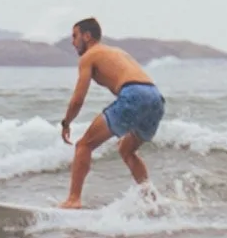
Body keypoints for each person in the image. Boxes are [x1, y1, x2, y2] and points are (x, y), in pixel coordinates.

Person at [58, 17, 165, 208]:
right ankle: (151, 199)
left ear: (87, 36)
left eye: (75, 36)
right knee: (127, 150)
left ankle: (73, 200)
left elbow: (78, 99)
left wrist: (66, 123)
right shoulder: (117, 51)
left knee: (84, 145)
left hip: (133, 93)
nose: (72, 42)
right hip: (156, 97)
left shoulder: (89, 56)